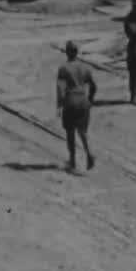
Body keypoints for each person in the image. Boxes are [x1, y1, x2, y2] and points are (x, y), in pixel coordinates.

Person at [56, 41, 97, 173]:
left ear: (67, 52)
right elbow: (94, 86)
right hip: (83, 100)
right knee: (83, 131)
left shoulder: (64, 68)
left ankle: (72, 161)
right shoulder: (85, 68)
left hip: (71, 101)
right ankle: (89, 153)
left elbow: (60, 89)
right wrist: (90, 100)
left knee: (70, 132)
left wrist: (60, 105)